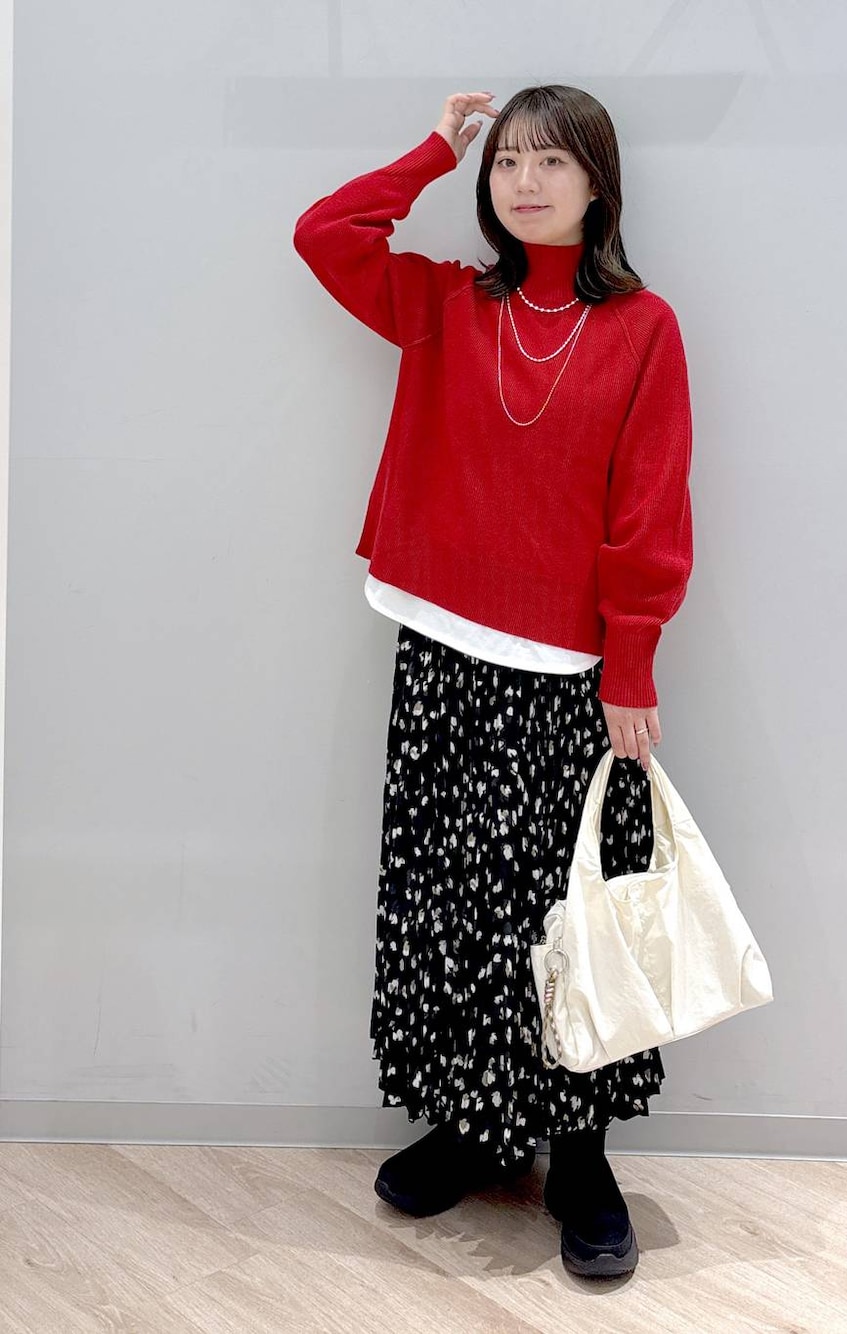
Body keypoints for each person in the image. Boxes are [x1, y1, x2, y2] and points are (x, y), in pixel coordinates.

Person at [293, 84, 694, 1280]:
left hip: (569, 674)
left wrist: (631, 661)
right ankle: (475, 1127)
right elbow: (325, 235)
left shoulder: (644, 328)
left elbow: (650, 507)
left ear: (596, 184)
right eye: (507, 160)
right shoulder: (445, 304)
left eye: (550, 161)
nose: (523, 180)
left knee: (569, 917)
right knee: (451, 904)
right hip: (442, 653)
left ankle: (580, 1155)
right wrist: (433, 147)